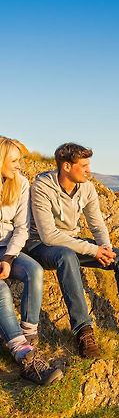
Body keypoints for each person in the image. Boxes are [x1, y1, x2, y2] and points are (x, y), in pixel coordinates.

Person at [27, 143, 119, 359]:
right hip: (40, 245)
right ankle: (84, 333)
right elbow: (49, 236)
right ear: (66, 166)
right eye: (84, 165)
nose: (89, 170)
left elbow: (96, 225)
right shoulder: (42, 186)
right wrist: (92, 250)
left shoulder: (87, 187)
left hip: (71, 241)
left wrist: (105, 249)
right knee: (66, 257)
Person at [0, 137, 63, 385]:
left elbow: (22, 228)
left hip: (8, 248)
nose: (19, 165)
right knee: (1, 289)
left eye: (21, 160)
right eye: (14, 160)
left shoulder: (22, 184)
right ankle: (24, 357)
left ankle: (29, 338)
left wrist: (7, 257)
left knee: (34, 270)